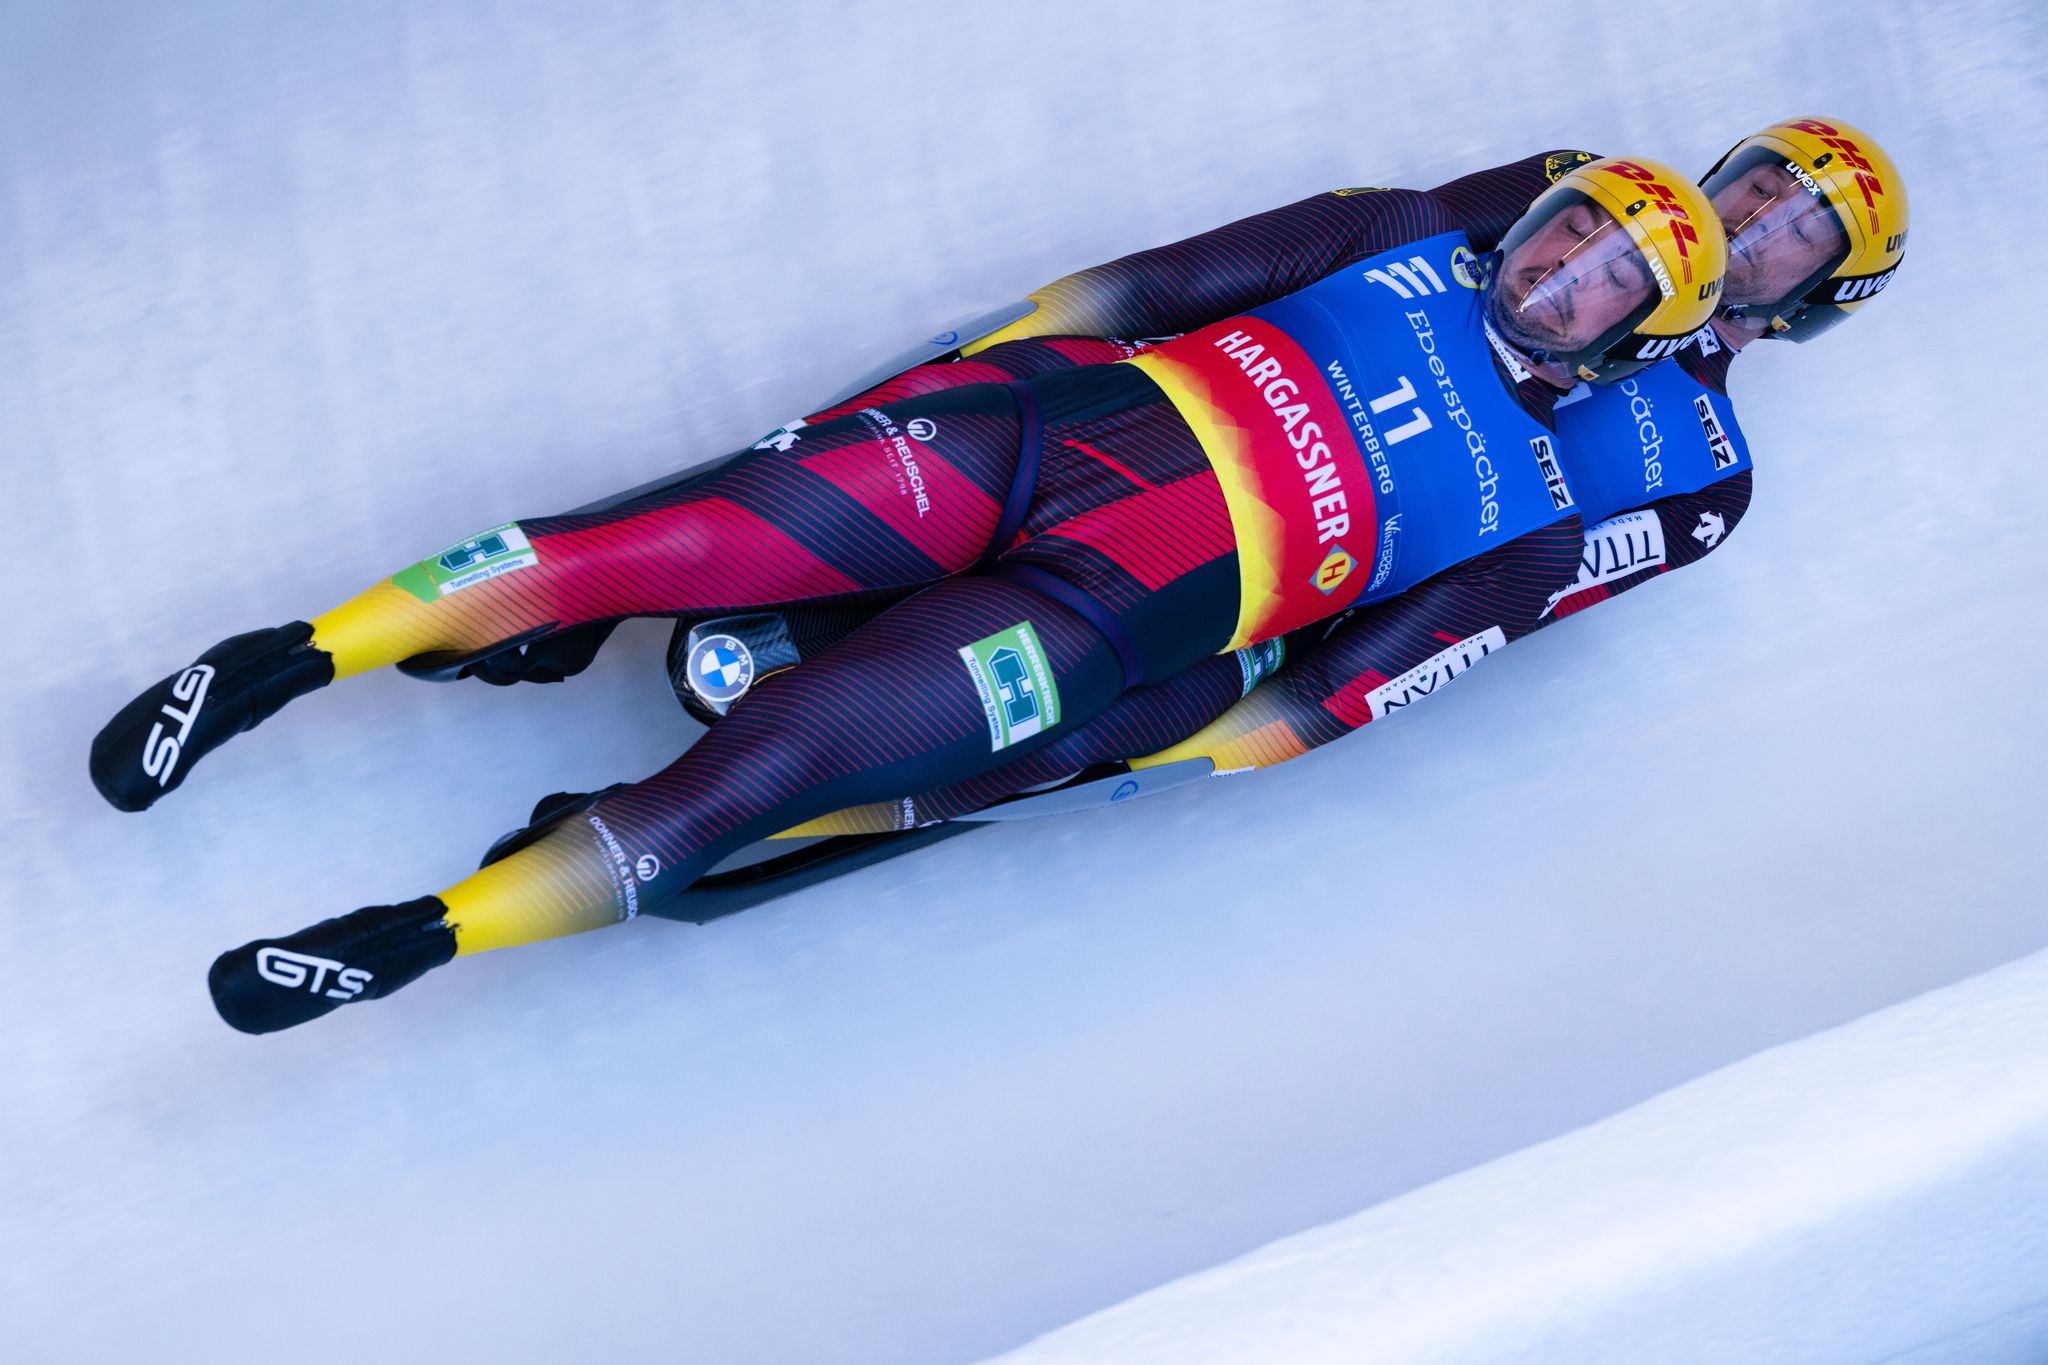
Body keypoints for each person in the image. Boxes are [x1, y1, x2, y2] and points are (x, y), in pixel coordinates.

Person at [91, 153, 1725, 1033]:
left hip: (1114, 619)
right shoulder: (1395, 237)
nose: (1552, 273)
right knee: (654, 542)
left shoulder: (1546, 502)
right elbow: (1156, 281)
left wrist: (1184, 742)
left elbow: (1371, 676)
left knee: (776, 764)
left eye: (1597, 284)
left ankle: (418, 937)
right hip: (1046, 437)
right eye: (1560, 233)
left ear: (1626, 342)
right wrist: (982, 359)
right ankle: (285, 658)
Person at [801, 116, 1905, 819]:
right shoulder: (1590, 188)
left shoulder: (1707, 481)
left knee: (1129, 700)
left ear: (1820, 296)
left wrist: (1305, 714)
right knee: (1033, 413)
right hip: (1213, 409)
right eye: (1765, 184)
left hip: (1305, 576)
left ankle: (884, 793)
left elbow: (1513, 600)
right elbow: (1390, 241)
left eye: (1802, 229)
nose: (1761, 219)